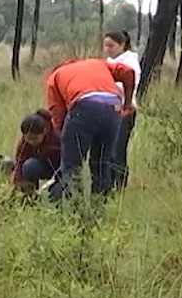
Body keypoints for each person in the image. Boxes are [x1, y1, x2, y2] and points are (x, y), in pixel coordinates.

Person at [44, 58, 136, 201]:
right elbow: (128, 72)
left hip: (84, 106)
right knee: (101, 164)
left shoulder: (55, 77)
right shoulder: (98, 63)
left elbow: (58, 114)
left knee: (72, 166)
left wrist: (66, 139)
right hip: (113, 107)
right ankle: (99, 207)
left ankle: (75, 210)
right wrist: (128, 104)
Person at [103, 30, 141, 189]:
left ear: (122, 45)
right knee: (108, 150)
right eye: (105, 45)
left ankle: (119, 186)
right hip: (108, 111)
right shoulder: (108, 62)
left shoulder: (130, 62)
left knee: (117, 151)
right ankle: (109, 184)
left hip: (125, 111)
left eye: (111, 45)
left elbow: (128, 85)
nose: (107, 49)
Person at [10, 109, 62, 194]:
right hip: (41, 166)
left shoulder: (56, 140)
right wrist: (17, 182)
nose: (31, 142)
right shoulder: (24, 143)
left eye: (34, 139)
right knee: (28, 166)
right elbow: (20, 162)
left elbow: (67, 164)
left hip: (58, 170)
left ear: (44, 132)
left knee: (54, 196)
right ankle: (31, 193)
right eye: (28, 139)